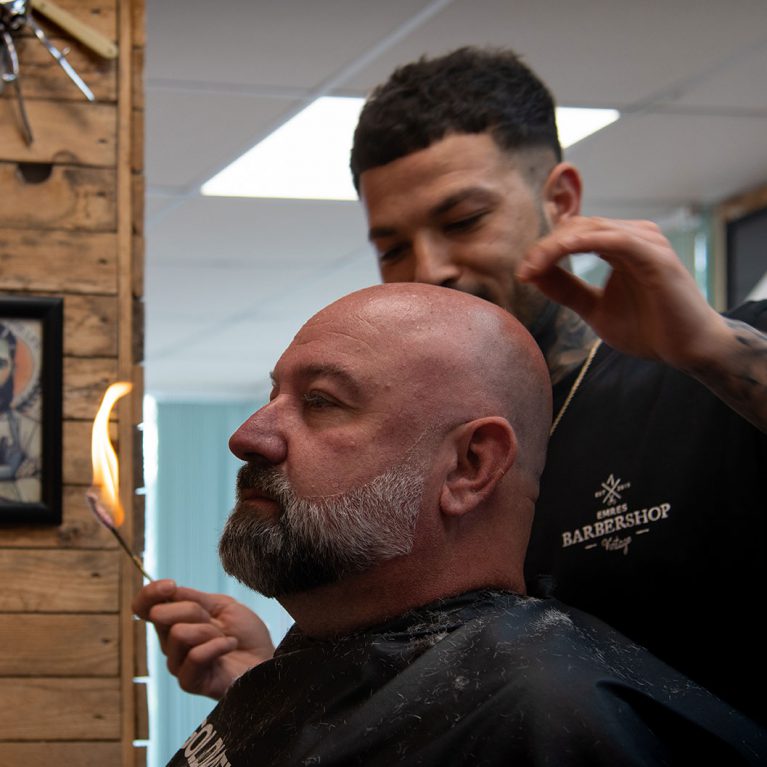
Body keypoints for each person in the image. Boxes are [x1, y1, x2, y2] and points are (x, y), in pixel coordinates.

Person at [136, 47, 767, 723]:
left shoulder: (713, 378)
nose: (427, 269)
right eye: (392, 247)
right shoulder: (407, 436)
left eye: (462, 222)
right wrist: (273, 683)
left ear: (559, 200)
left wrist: (707, 349)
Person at [141, 284, 766, 766]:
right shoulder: (329, 656)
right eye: (273, 395)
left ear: (471, 465)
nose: (246, 435)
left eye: (321, 402)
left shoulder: (551, 720)